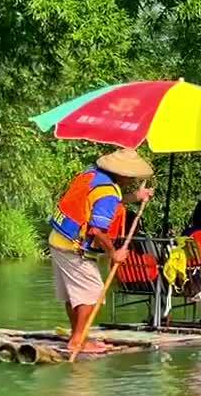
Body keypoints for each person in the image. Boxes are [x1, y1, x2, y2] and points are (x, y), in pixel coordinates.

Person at [49, 149, 154, 360]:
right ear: (123, 175)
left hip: (57, 238)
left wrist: (134, 197)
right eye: (131, 177)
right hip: (74, 246)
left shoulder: (91, 175)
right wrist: (114, 253)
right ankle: (78, 341)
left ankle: (79, 335)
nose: (131, 180)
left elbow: (102, 200)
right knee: (92, 293)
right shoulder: (108, 193)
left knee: (75, 294)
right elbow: (97, 230)